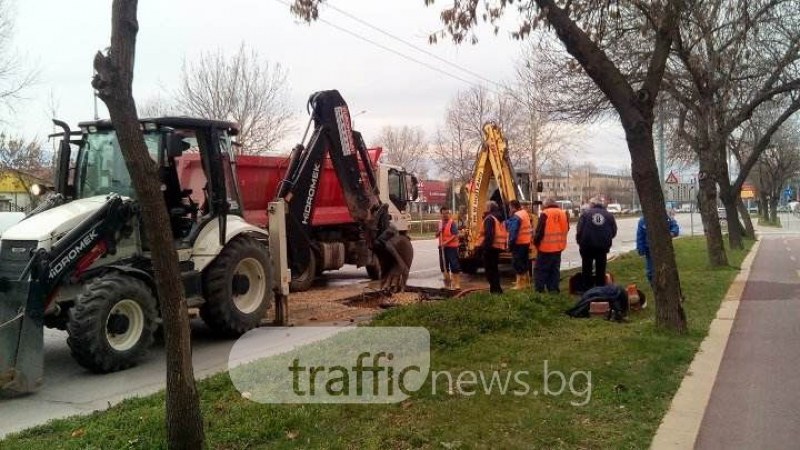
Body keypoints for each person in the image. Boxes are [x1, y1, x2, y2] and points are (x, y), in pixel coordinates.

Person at [576, 197, 617, 289]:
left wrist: (579, 242)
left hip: (587, 245)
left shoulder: (585, 214)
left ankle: (587, 287)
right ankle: (600, 287)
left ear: (592, 204)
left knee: (587, 267)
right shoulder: (609, 215)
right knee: (601, 268)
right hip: (602, 246)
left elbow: (579, 230)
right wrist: (607, 239)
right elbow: (614, 231)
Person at [533, 198, 570, 293]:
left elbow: (540, 231)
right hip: (558, 247)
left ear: (546, 205)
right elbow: (567, 228)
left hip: (545, 248)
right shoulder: (563, 213)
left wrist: (535, 242)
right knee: (554, 270)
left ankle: (539, 291)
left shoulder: (545, 213)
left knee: (540, 270)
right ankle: (553, 290)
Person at [636, 211, 680, 284]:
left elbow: (675, 227)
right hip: (650, 250)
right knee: (650, 271)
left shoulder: (665, 218)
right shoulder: (643, 221)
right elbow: (640, 236)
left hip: (664, 249)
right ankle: (654, 285)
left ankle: (668, 283)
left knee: (666, 268)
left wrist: (672, 233)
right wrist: (641, 250)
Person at [478, 200, 507, 294]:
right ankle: (497, 290)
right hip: (496, 247)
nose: (484, 208)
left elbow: (489, 235)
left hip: (490, 248)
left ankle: (495, 291)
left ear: (489, 208)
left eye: (486, 206)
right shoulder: (498, 217)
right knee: (494, 269)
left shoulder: (489, 218)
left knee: (490, 270)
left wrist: (485, 248)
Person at [505, 200, 533, 289]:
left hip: (519, 243)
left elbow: (513, 232)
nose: (509, 209)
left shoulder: (517, 216)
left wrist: (510, 244)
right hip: (526, 242)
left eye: (510, 207)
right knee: (524, 262)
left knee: (517, 263)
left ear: (513, 207)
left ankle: (520, 284)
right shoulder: (524, 213)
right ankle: (526, 282)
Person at [436, 205, 461, 289]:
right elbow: (437, 235)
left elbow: (454, 235)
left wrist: (446, 242)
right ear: (441, 214)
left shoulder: (452, 223)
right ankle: (447, 283)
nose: (445, 215)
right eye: (444, 213)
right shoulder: (440, 223)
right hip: (442, 248)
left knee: (454, 265)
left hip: (451, 248)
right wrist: (438, 232)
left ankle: (456, 284)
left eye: (447, 213)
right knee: (443, 266)